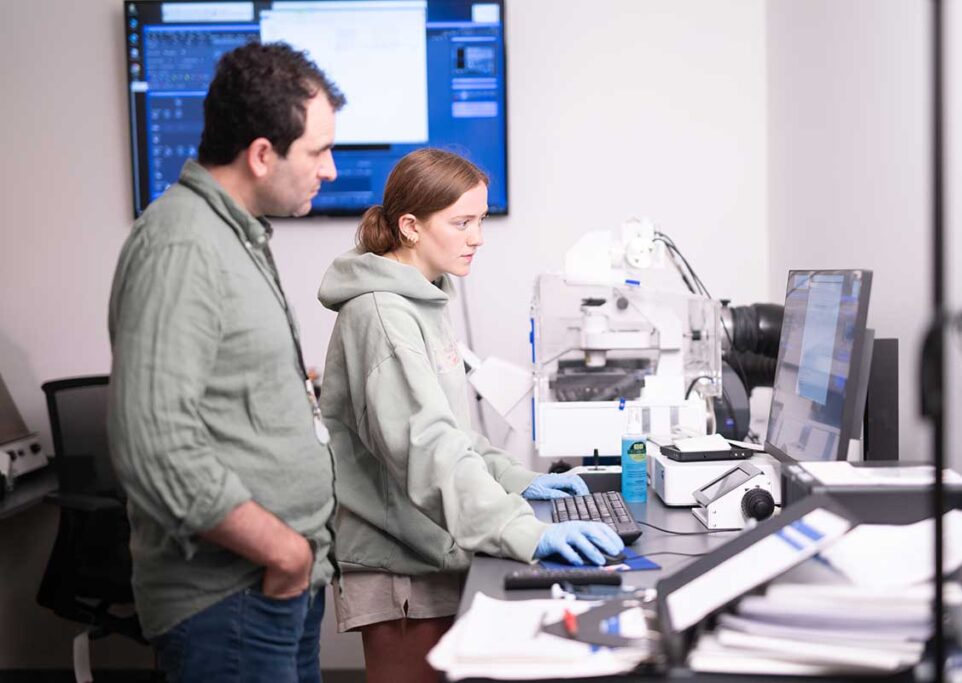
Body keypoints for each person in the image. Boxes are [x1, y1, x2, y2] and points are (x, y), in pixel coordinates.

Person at [317, 148, 624, 683]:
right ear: (410, 226)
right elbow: (428, 448)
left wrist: (521, 483)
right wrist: (521, 531)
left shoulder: (421, 299)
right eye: (461, 222)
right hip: (401, 567)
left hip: (430, 543)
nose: (477, 236)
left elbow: (455, 431)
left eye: (479, 220)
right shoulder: (382, 314)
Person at [108, 43, 345, 682]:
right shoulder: (182, 243)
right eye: (318, 150)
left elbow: (223, 383)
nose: (329, 169)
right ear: (262, 154)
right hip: (232, 597)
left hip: (276, 587)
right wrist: (285, 553)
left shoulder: (233, 234)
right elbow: (153, 444)